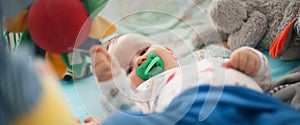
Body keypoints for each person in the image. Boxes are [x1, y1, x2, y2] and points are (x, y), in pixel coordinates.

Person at [84, 33, 272, 124]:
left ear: (169, 51)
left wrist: (252, 60)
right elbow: (130, 115)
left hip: (251, 104)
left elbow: (262, 81)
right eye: (129, 70)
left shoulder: (207, 62)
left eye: (143, 50)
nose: (141, 60)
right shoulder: (143, 97)